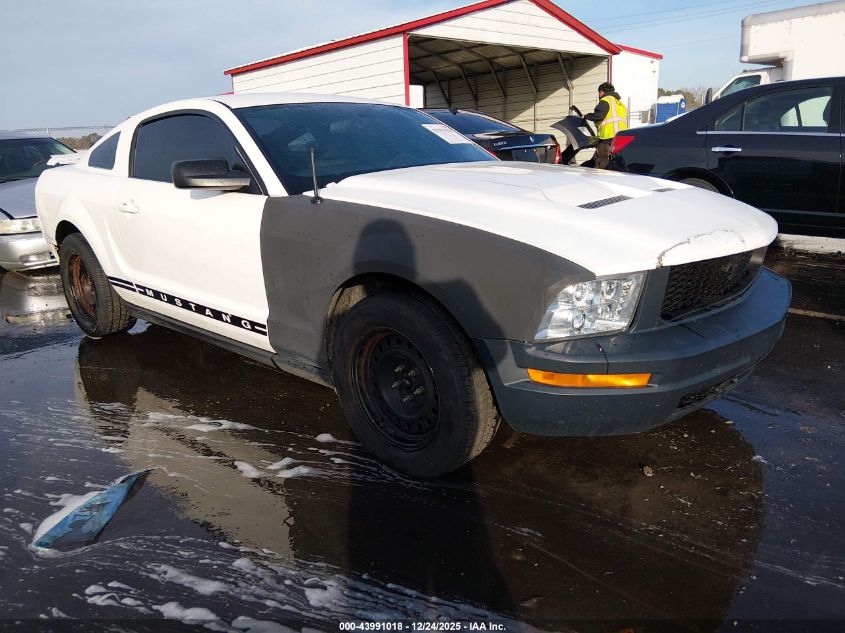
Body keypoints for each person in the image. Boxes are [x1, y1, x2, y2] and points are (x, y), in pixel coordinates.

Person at [584, 82, 628, 169]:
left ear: (601, 92)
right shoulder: (621, 104)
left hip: (607, 138)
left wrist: (587, 116)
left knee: (601, 163)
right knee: (617, 163)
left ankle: (600, 177)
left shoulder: (605, 100)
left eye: (599, 93)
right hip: (620, 138)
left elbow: (599, 116)